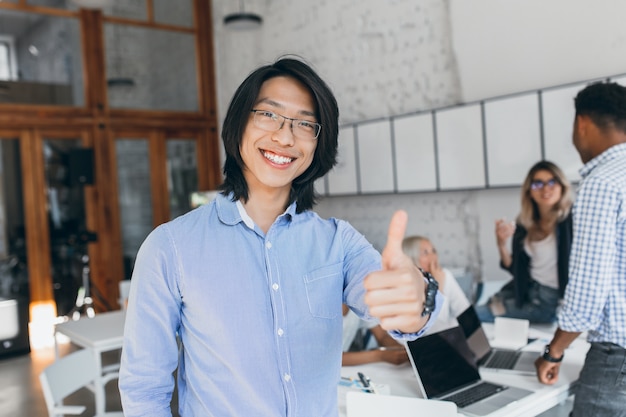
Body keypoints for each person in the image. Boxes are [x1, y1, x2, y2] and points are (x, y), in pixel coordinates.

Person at [118, 57, 442, 417]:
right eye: (268, 115)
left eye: (305, 123)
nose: (285, 137)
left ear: (318, 144)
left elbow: (404, 316)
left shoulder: (339, 242)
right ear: (238, 123)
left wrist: (418, 296)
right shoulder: (170, 247)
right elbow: (144, 388)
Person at [535, 81, 626, 416]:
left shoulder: (602, 183)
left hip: (617, 356)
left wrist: (554, 351)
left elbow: (589, 293)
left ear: (582, 124)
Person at [475, 160, 574, 323]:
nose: (545, 189)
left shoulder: (571, 221)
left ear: (562, 186)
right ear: (529, 191)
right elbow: (516, 270)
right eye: (538, 184)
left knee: (476, 315)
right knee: (473, 312)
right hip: (524, 291)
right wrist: (501, 243)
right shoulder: (524, 224)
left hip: (548, 301)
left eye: (552, 182)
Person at [402, 235, 471, 333]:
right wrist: (438, 290)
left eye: (433, 251)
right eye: (425, 253)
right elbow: (431, 329)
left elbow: (465, 312)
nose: (433, 257)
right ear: (410, 257)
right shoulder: (405, 286)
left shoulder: (445, 275)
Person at [341, 304, 409, 366]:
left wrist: (403, 351)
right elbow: (332, 357)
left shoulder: (357, 303)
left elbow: (382, 336)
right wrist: (381, 355)